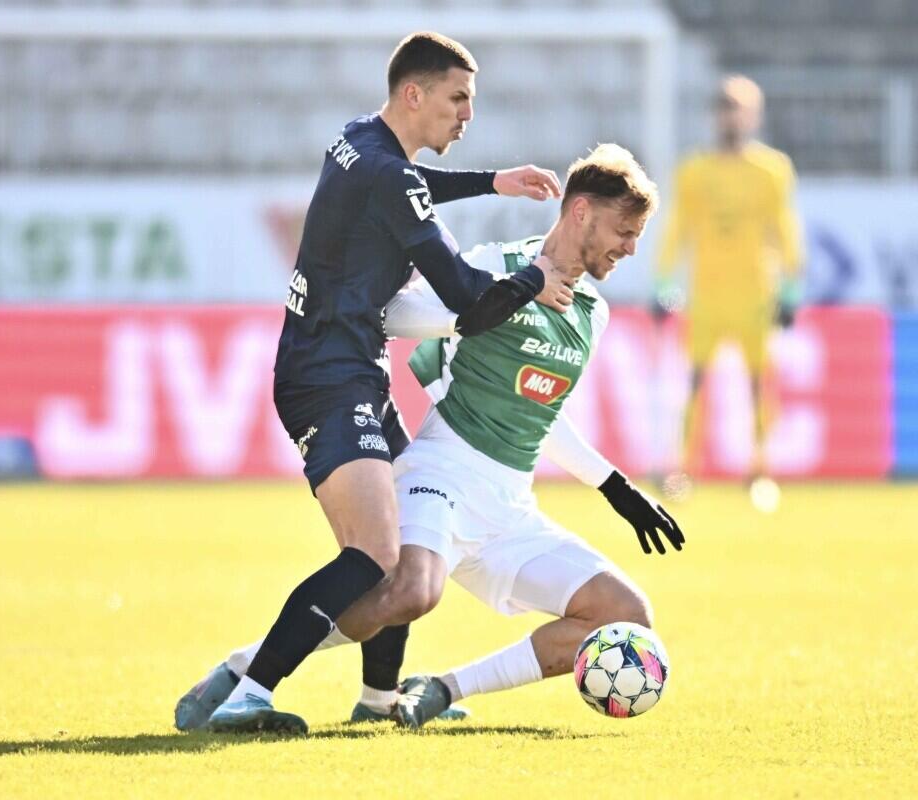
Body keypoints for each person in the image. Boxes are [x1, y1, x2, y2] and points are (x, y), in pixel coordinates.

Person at [191, 144, 685, 730]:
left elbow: (540, 412)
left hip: (509, 511)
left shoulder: (591, 313)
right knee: (411, 593)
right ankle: (247, 669)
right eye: (624, 231)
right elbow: (393, 315)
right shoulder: (498, 264)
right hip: (441, 479)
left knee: (625, 614)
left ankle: (440, 690)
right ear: (580, 211)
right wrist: (493, 302)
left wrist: (616, 488)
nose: (630, 247)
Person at [175, 31, 570, 735]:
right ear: (413, 94)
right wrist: (535, 280)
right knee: (374, 554)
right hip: (328, 377)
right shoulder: (390, 177)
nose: (466, 116)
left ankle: (379, 698)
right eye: (457, 99)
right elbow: (468, 301)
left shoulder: (358, 140)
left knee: (405, 536)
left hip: (346, 366)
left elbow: (405, 187)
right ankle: (248, 692)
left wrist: (489, 181)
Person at [655, 75, 804, 508]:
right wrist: (663, 280)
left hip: (756, 292)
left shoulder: (771, 170)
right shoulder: (694, 171)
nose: (729, 116)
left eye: (737, 108)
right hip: (706, 294)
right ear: (714, 116)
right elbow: (677, 229)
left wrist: (792, 284)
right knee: (695, 383)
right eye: (723, 108)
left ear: (752, 115)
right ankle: (682, 469)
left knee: (759, 383)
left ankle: (759, 469)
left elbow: (785, 228)